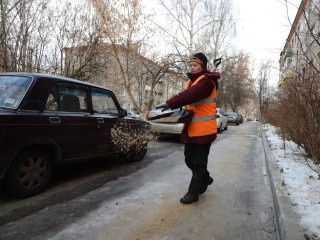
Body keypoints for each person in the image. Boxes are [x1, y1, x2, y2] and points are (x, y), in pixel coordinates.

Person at [155, 52, 221, 204]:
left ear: (202, 66)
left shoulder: (207, 81)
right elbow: (186, 96)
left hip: (204, 130)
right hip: (191, 129)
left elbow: (191, 95)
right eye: (190, 65)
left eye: (195, 65)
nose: (192, 67)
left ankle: (194, 191)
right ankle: (205, 177)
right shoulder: (191, 81)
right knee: (188, 159)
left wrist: (170, 102)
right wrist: (172, 108)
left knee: (198, 162)